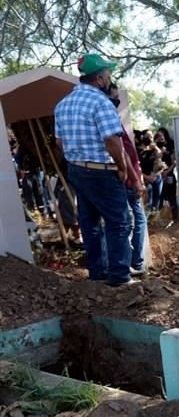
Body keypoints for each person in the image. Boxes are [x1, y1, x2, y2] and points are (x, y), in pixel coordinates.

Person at [54, 53, 132, 286]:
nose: (110, 78)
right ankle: (119, 277)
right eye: (108, 74)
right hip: (102, 170)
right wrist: (122, 167)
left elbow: (59, 143)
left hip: (76, 169)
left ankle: (97, 274)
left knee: (90, 223)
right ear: (99, 78)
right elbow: (112, 141)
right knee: (118, 222)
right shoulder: (101, 102)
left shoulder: (62, 104)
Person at [107, 82, 147, 275]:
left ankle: (130, 263)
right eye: (114, 96)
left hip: (129, 177)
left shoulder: (114, 119)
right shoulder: (109, 119)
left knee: (130, 221)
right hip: (125, 180)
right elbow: (122, 153)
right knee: (131, 222)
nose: (116, 100)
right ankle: (132, 263)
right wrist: (135, 179)